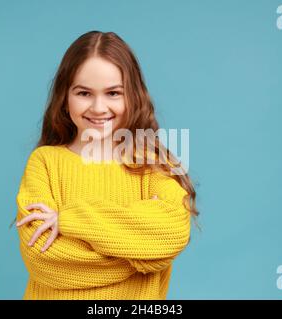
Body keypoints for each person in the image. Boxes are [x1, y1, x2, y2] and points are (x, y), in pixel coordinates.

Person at [15, 30, 200, 300]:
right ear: (65, 98)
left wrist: (68, 220)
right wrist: (138, 251)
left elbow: (171, 232)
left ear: (132, 97)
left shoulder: (151, 166)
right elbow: (45, 261)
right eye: (84, 93)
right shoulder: (44, 163)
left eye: (113, 93)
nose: (99, 107)